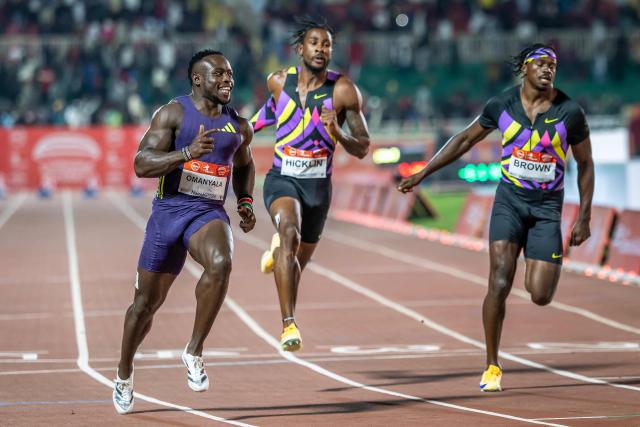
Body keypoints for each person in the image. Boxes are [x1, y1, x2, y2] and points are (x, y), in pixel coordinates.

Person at [398, 44, 594, 392]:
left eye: (553, 65)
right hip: (509, 201)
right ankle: (492, 365)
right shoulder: (501, 105)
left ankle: (535, 263)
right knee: (500, 282)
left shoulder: (570, 112)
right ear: (525, 70)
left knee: (540, 295)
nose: (548, 70)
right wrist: (424, 172)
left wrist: (584, 217)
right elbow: (463, 140)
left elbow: (586, 164)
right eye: (541, 64)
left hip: (548, 209)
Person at [112, 49, 256, 414]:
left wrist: (245, 201)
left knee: (221, 263)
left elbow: (245, 164)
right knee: (144, 306)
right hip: (168, 214)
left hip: (206, 212)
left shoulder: (238, 126)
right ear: (197, 79)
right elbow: (141, 164)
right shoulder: (173, 113)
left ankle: (194, 350)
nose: (227, 80)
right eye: (218, 74)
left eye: (230, 74)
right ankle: (124, 373)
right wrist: (185, 154)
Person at [250, 17, 370, 352]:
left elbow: (363, 146)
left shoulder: (343, 90)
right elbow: (262, 118)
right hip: (281, 179)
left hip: (318, 188)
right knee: (289, 232)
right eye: (315, 42)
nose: (321, 49)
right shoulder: (278, 82)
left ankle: (278, 254)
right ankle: (289, 325)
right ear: (300, 48)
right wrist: (231, 134)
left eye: (327, 44)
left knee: (296, 262)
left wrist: (340, 134)